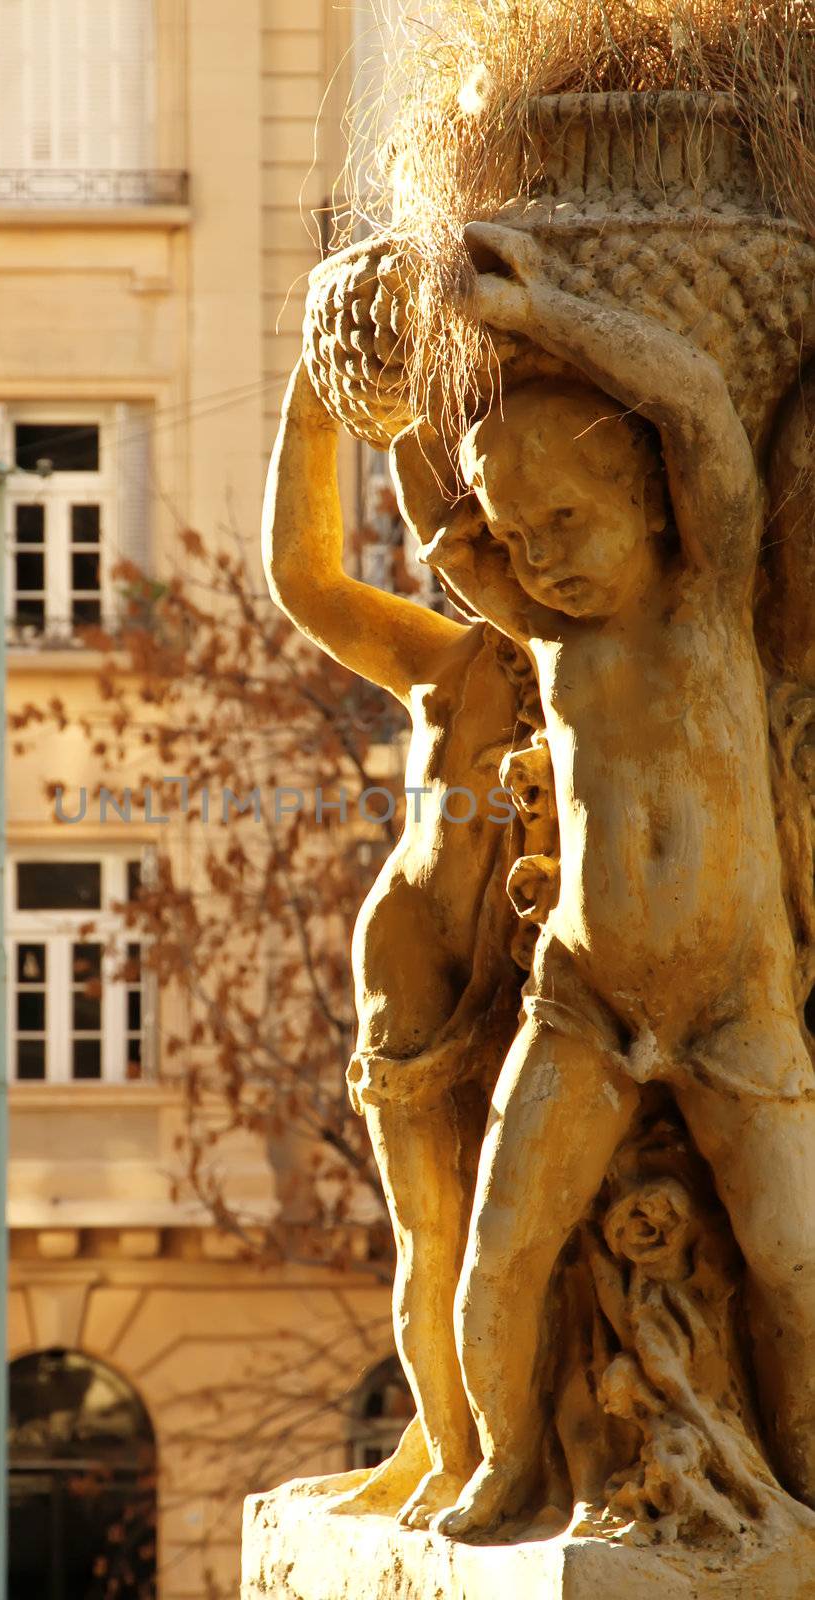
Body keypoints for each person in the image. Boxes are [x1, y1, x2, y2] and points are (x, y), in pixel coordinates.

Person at [392, 218, 815, 1535]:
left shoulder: (702, 597)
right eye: (517, 541)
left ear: (642, 495)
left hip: (730, 1005)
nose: (543, 559)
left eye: (566, 521)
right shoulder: (546, 630)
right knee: (498, 1256)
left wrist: (530, 321)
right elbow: (427, 501)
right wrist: (413, 354)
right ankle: (502, 1464)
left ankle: (800, 1477)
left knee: (795, 1268)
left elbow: (691, 405)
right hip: (577, 997)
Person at [263, 359, 523, 1527]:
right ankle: (452, 1450)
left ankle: (514, 1443)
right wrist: (312, 403)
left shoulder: (623, 669)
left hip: (542, 961)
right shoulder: (446, 662)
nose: (466, 557)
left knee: (520, 1224)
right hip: (417, 957)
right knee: (434, 1223)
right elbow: (305, 577)